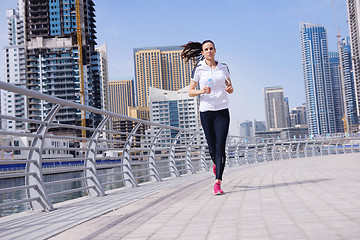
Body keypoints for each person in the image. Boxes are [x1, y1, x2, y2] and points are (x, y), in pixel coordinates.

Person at [181, 40, 234, 195]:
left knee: (220, 147)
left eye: (211, 48)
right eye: (206, 49)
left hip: (222, 111)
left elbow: (230, 88)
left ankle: (218, 182)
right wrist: (201, 91)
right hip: (206, 111)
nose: (209, 51)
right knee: (212, 148)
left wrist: (230, 89)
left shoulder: (223, 67)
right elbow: (190, 91)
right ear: (202, 52)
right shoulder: (199, 69)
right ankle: (216, 164)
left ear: (215, 51)